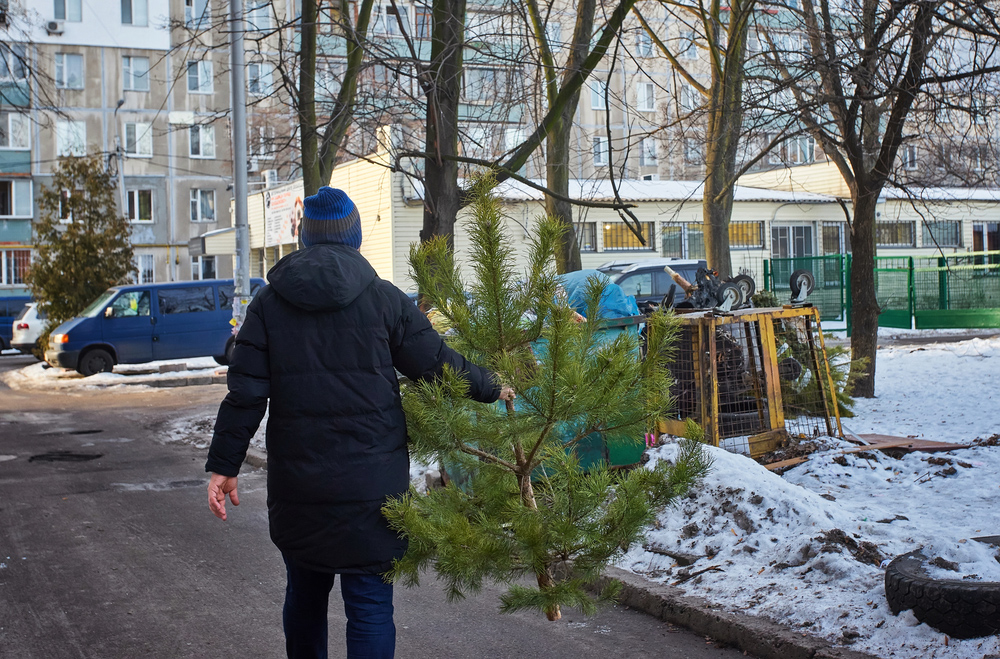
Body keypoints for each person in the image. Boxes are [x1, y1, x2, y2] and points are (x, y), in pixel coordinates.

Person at [206, 186, 513, 659]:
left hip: (300, 485)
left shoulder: (268, 305)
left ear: (306, 237)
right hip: (373, 484)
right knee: (370, 605)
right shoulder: (384, 300)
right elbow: (438, 365)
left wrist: (224, 466)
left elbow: (245, 394)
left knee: (304, 597)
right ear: (355, 237)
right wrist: (493, 386)